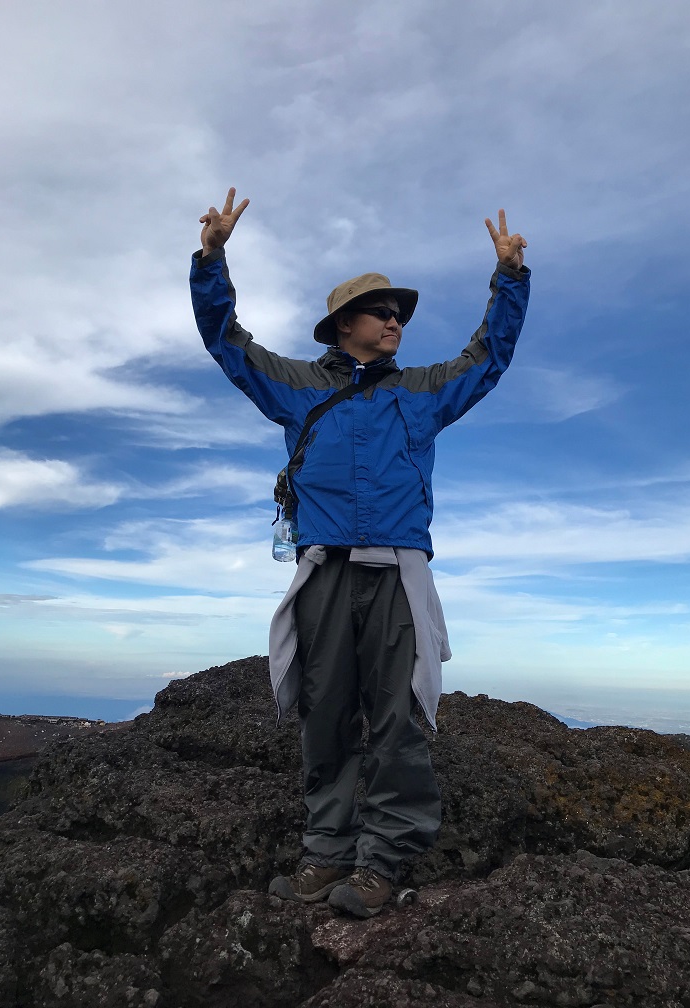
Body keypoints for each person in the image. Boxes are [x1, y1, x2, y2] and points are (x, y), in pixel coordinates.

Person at [190, 189, 530, 918]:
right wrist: (211, 261)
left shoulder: (424, 393)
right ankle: (327, 849)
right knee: (326, 711)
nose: (396, 321)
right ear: (346, 325)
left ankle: (382, 860)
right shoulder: (299, 387)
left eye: (399, 313)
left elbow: (491, 356)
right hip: (324, 571)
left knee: (397, 715)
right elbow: (227, 343)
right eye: (382, 312)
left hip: (397, 572)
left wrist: (509, 280)